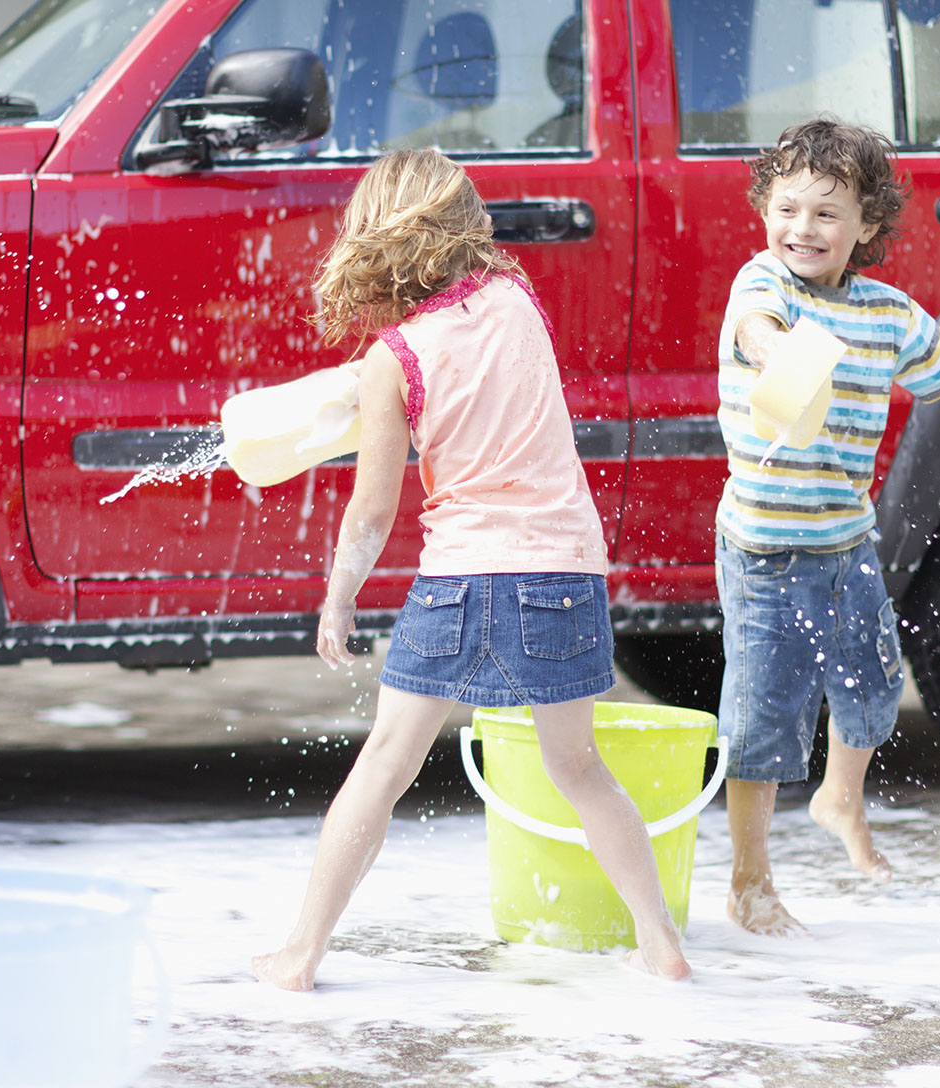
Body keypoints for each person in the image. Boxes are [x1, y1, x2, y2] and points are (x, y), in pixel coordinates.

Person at [253, 149, 691, 990]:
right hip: (562, 572)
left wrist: (338, 598)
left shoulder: (394, 358)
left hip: (460, 579)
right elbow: (483, 372)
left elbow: (373, 511)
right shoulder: (518, 300)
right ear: (466, 226)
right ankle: (660, 941)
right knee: (579, 769)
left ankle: (302, 953)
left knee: (384, 763)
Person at [716, 118, 940, 936]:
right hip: (763, 549)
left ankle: (840, 798)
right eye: (788, 208)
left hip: (846, 542)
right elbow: (754, 326)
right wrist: (777, 358)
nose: (803, 228)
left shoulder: (886, 312)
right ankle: (748, 880)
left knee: (870, 685)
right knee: (764, 714)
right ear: (766, 209)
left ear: (867, 226)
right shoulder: (763, 285)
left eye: (828, 214)